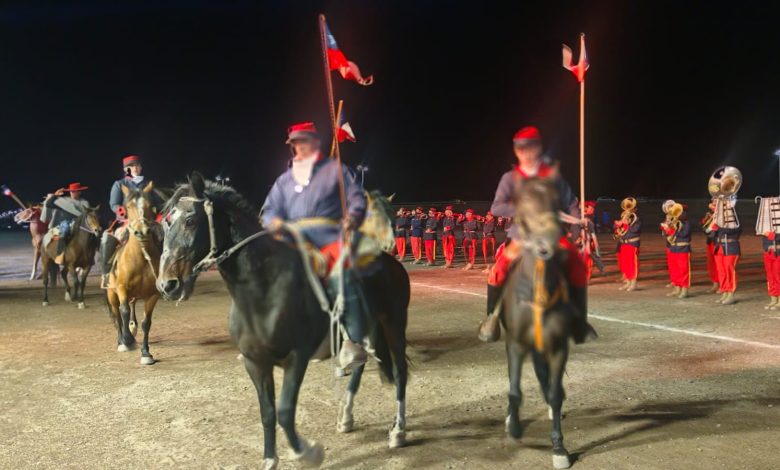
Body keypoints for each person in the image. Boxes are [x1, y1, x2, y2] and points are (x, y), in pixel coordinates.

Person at [262, 122, 368, 369]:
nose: (299, 147)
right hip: (293, 239)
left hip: (328, 236)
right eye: (295, 144)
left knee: (343, 277)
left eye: (304, 142)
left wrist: (352, 215)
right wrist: (273, 221)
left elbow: (356, 198)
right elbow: (269, 209)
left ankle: (352, 340)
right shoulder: (284, 180)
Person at [478, 126, 594, 344]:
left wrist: (577, 225)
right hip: (522, 236)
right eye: (521, 149)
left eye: (531, 148)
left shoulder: (553, 177)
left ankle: (580, 322)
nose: (526, 153)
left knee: (578, 266)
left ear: (538, 149)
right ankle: (491, 319)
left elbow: (571, 204)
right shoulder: (509, 179)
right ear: (516, 152)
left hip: (552, 234)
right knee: (499, 270)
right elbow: (496, 208)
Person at [100, 155, 163, 288]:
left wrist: (157, 213)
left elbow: (157, 203)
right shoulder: (119, 184)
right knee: (107, 239)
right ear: (126, 169)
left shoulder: (148, 184)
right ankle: (106, 274)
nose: (134, 168)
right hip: (126, 221)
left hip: (147, 221)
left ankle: (166, 272)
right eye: (131, 166)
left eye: (136, 165)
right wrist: (123, 212)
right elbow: (114, 204)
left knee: (164, 236)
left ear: (141, 167)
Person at [40, 182, 92, 264]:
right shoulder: (64, 201)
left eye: (75, 191)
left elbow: (88, 215)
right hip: (65, 223)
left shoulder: (84, 203)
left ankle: (92, 257)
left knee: (94, 233)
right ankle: (60, 255)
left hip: (80, 224)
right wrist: (55, 195)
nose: (73, 193)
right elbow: (49, 204)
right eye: (71, 191)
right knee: (64, 231)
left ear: (79, 192)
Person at [661, 203, 692, 299]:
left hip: (683, 248)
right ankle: (677, 288)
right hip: (673, 248)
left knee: (683, 270)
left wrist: (672, 230)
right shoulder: (674, 222)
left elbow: (684, 234)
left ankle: (684, 290)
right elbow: (668, 235)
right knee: (675, 269)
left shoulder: (686, 223)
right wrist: (667, 229)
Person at [709, 218, 741, 305]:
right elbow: (710, 234)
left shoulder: (734, 217)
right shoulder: (717, 219)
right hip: (719, 247)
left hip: (730, 247)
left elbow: (737, 229)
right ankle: (724, 291)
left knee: (729, 270)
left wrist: (719, 228)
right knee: (721, 271)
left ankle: (730, 293)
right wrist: (712, 228)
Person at [614, 197, 641, 292]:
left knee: (632, 263)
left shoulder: (635, 218)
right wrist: (618, 225)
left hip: (632, 243)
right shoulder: (624, 217)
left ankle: (633, 283)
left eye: (630, 208)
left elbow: (635, 229)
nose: (627, 210)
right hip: (624, 243)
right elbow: (619, 230)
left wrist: (625, 225)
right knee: (626, 263)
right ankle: (628, 282)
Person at [701, 200, 719, 293]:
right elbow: (705, 230)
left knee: (719, 264)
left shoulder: (724, 214)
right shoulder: (710, 215)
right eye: (713, 202)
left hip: (719, 242)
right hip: (710, 241)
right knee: (711, 263)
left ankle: (722, 285)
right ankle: (715, 283)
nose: (713, 204)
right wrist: (706, 222)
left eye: (715, 203)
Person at [761, 226, 780, 310]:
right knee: (770, 276)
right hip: (769, 251)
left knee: (778, 275)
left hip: (778, 251)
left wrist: (773, 236)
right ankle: (773, 298)